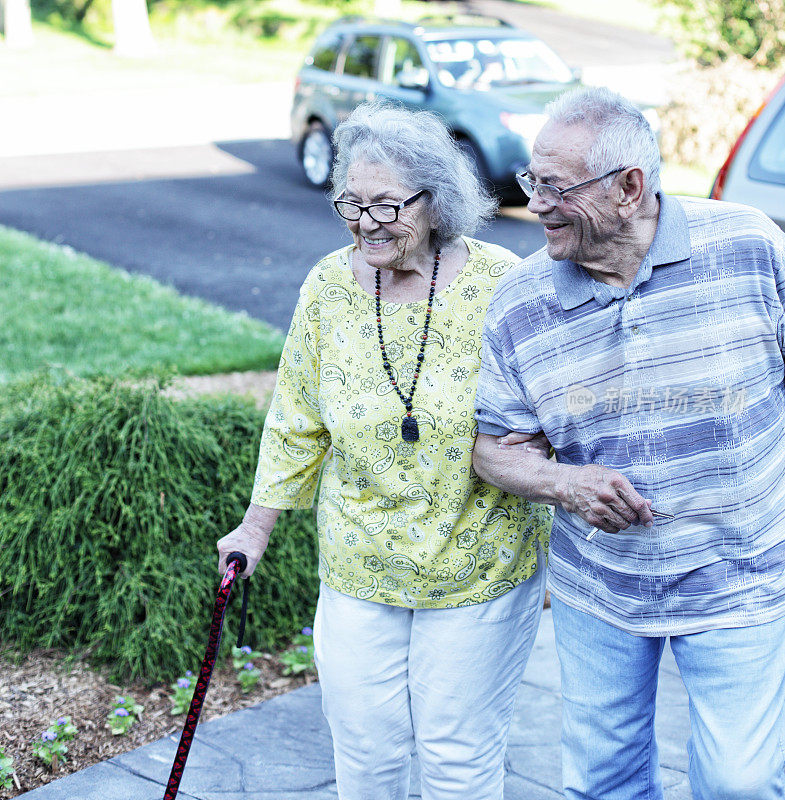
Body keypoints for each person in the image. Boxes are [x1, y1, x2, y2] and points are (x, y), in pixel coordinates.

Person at [217, 102, 551, 800]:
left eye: (387, 204)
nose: (367, 222)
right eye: (352, 202)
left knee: (456, 759)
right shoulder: (328, 287)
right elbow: (296, 416)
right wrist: (256, 525)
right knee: (365, 757)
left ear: (436, 203)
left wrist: (550, 446)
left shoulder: (503, 281)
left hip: (476, 563)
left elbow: (556, 394)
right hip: (358, 563)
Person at [472, 85, 785, 800]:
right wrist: (564, 484)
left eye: (554, 186)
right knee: (602, 779)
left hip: (738, 572)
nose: (536, 202)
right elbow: (490, 447)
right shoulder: (522, 303)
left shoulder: (748, 246)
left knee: (741, 783)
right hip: (601, 588)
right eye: (531, 181)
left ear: (628, 187)